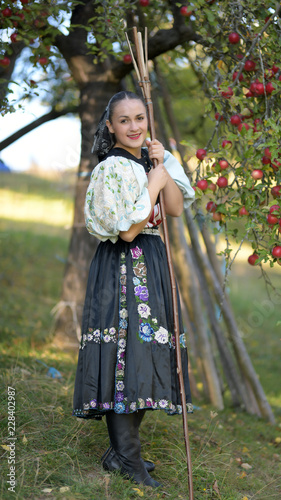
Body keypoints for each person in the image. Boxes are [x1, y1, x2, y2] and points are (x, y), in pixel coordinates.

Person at [72, 90, 195, 488]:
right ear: (111, 126)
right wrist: (152, 184)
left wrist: (162, 168)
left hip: (153, 261)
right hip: (124, 265)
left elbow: (174, 209)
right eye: (124, 120)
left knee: (148, 350)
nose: (134, 127)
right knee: (125, 356)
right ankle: (128, 458)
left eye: (139, 118)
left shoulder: (152, 160)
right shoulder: (111, 169)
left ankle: (118, 452)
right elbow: (126, 231)